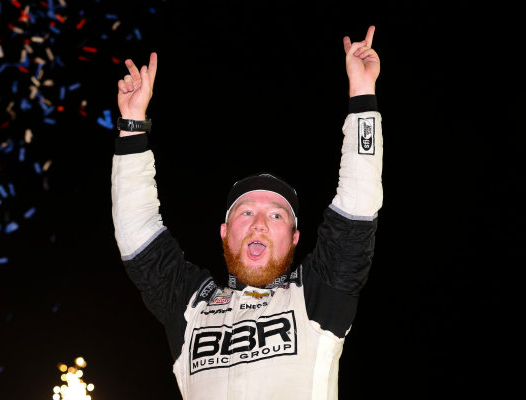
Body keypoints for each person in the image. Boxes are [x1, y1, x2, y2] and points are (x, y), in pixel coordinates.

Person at [111, 25, 382, 399]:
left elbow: (358, 203)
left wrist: (363, 92)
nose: (259, 223)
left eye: (276, 216)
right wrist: (132, 125)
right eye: (246, 212)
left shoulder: (318, 296)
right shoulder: (193, 307)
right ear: (224, 232)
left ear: (294, 238)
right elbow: (137, 233)